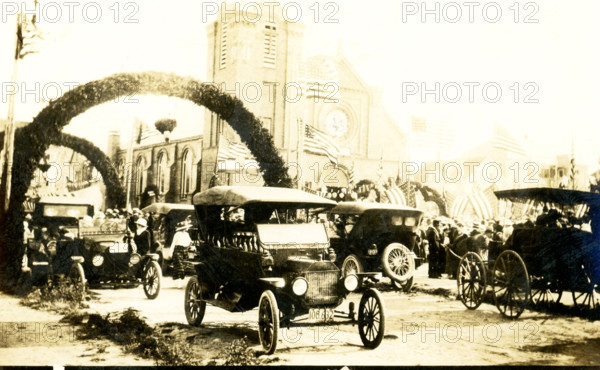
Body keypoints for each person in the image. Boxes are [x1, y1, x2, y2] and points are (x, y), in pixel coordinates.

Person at [171, 220, 192, 288]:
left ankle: (179, 281)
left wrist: (192, 246)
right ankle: (178, 282)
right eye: (186, 227)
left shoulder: (187, 234)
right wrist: (170, 252)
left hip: (185, 251)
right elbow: (173, 243)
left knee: (184, 267)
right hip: (178, 251)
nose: (187, 228)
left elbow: (189, 242)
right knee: (179, 267)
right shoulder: (177, 234)